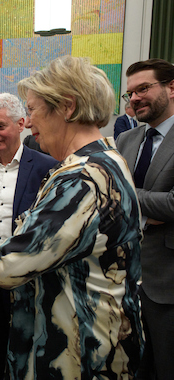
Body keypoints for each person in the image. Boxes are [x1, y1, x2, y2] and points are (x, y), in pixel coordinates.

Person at [0, 56, 144, 379]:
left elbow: (13, 264)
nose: (30, 122)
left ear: (67, 107)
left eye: (33, 110)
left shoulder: (79, 178)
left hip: (80, 353)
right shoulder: (108, 158)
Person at [0, 93, 57, 379]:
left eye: (0, 126)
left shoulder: (47, 166)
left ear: (21, 124)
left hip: (29, 278)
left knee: (27, 351)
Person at [115, 58, 174, 380]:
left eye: (143, 89)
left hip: (166, 281)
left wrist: (127, 192)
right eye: (129, 94)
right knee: (131, 367)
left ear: (171, 87)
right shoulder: (127, 140)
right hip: (122, 276)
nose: (134, 98)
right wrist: (151, 208)